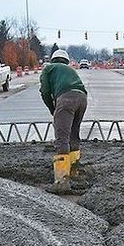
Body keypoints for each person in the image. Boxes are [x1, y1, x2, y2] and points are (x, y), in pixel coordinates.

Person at [39, 48, 88, 193]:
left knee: (62, 138)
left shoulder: (48, 69)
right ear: (66, 61)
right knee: (74, 135)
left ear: (53, 59)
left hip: (66, 100)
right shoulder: (70, 70)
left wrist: (52, 109)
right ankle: (74, 173)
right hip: (82, 99)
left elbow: (45, 92)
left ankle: (61, 182)